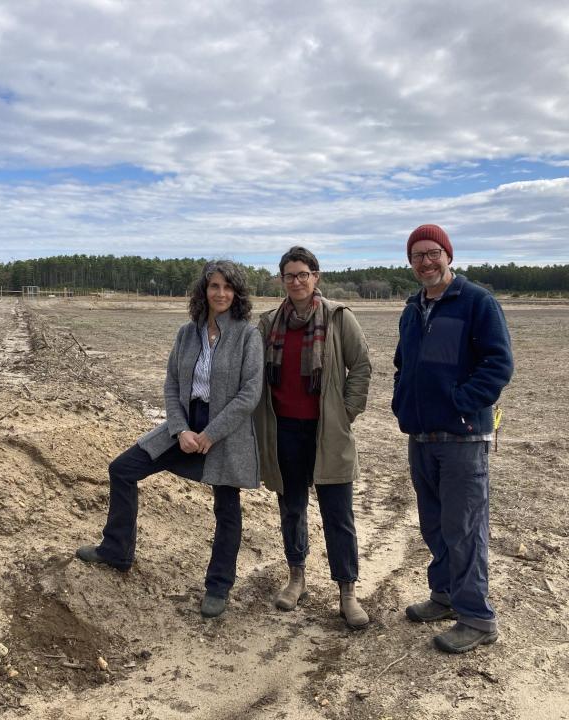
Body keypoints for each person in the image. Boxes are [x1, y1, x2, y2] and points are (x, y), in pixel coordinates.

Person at [75, 260, 264, 619]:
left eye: (228, 287)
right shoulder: (186, 333)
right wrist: (180, 430)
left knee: (227, 509)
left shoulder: (247, 335)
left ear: (236, 293)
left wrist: (210, 434)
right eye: (214, 286)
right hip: (183, 427)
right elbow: (172, 384)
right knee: (123, 469)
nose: (220, 293)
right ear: (203, 291)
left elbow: (249, 394)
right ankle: (116, 551)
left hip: (224, 434)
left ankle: (218, 586)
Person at [392, 224, 514, 653]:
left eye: (433, 253)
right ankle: (444, 596)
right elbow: (403, 364)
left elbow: (498, 365)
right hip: (421, 434)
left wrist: (462, 402)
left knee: (464, 529)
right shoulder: (413, 309)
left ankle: (477, 617)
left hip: (462, 438)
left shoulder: (477, 302)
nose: (425, 262)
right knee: (435, 524)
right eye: (417, 255)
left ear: (448, 255)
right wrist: (402, 401)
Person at [253, 246, 372, 629]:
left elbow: (362, 366)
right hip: (284, 431)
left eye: (303, 274)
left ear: (316, 277)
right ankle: (297, 577)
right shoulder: (269, 323)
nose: (297, 281)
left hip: (327, 432)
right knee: (292, 508)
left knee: (338, 514)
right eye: (289, 275)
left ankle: (347, 591)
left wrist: (346, 413)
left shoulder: (339, 318)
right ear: (282, 280)